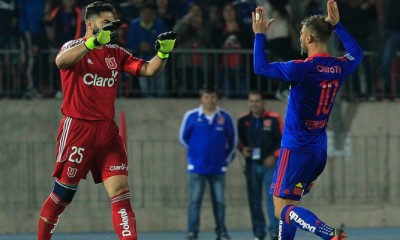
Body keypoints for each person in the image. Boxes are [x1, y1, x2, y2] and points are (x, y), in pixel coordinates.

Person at [37, 1, 176, 240]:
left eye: (113, 23)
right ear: (89, 24)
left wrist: (162, 53)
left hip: (107, 132)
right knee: (63, 195)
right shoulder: (74, 46)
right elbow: (61, 62)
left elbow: (149, 71)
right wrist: (92, 43)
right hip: (78, 129)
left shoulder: (116, 53)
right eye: (105, 23)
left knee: (121, 191)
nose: (111, 28)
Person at [252, 0, 363, 239]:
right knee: (289, 204)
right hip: (318, 152)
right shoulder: (339, 66)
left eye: (302, 35)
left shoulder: (301, 68)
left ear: (310, 39)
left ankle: (327, 233)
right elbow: (357, 54)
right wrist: (339, 26)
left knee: (281, 210)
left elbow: (260, 67)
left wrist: (259, 36)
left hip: (295, 149)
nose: (300, 39)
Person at [179, 86, 237, 240]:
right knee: (194, 201)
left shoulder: (225, 117)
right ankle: (192, 232)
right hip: (196, 167)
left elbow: (232, 141)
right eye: (206, 97)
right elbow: (183, 138)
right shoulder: (191, 116)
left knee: (219, 201)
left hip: (218, 168)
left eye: (212, 97)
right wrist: (195, 155)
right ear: (201, 99)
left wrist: (225, 160)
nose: (209, 100)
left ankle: (221, 232)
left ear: (216, 99)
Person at [237, 90, 282, 240]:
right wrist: (243, 149)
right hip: (251, 166)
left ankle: (274, 231)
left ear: (263, 103)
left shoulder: (274, 119)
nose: (254, 104)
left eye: (257, 101)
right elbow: (238, 141)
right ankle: (259, 232)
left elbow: (284, 141)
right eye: (251, 101)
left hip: (270, 165)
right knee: (254, 200)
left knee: (272, 199)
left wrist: (274, 156)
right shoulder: (243, 121)